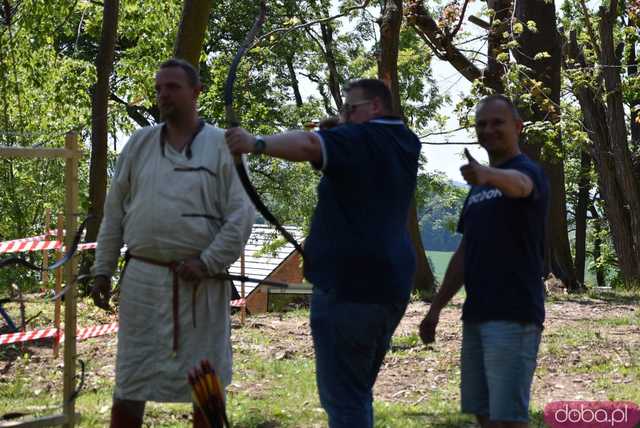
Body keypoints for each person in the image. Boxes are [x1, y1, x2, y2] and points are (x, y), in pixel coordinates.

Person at [226, 78, 421, 427]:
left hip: (349, 287)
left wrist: (254, 143)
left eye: (350, 108)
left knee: (345, 399)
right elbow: (352, 164)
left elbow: (308, 143)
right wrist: (342, 129)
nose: (344, 114)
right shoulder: (405, 141)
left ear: (374, 107)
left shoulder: (359, 139)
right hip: (390, 286)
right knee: (357, 390)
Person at [90, 58, 255, 428]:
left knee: (206, 384)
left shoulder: (221, 146)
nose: (164, 94)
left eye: (173, 87)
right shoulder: (139, 143)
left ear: (196, 92)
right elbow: (114, 213)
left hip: (198, 290)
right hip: (143, 287)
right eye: (160, 87)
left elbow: (240, 216)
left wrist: (209, 261)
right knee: (130, 380)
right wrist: (102, 269)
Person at [419, 95, 549, 428]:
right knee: (482, 413)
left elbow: (521, 187)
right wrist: (436, 309)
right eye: (481, 124)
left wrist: (488, 175)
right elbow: (465, 252)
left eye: (497, 122)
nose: (488, 130)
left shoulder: (526, 172)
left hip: (514, 314)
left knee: (507, 418)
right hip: (476, 314)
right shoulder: (476, 191)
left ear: (518, 127)